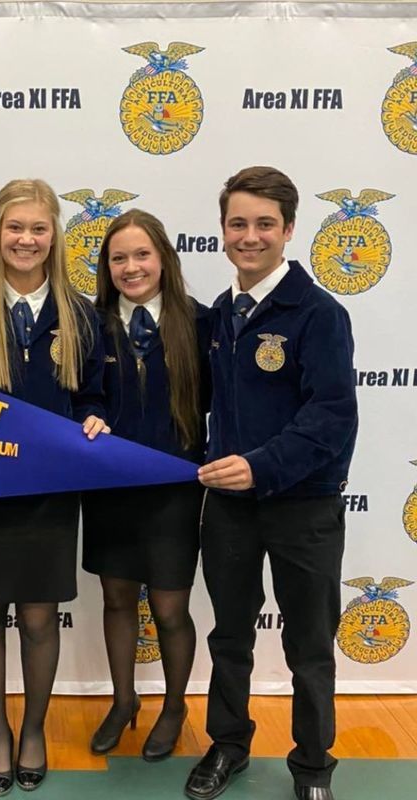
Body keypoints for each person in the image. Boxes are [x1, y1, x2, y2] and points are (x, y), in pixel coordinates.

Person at [0, 178, 108, 795]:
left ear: (54, 235)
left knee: (38, 615)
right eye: (15, 227)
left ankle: (32, 729)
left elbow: (92, 396)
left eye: (37, 228)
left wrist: (94, 417)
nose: (25, 239)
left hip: (50, 492)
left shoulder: (81, 313)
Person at [185, 166, 358, 800]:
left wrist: (263, 465)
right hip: (229, 507)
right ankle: (228, 745)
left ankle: (312, 766)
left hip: (304, 507)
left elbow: (332, 416)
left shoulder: (319, 313)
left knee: (309, 646)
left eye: (264, 224)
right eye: (238, 224)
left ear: (288, 230)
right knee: (229, 636)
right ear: (222, 230)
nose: (249, 236)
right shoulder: (219, 317)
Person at [81, 209, 210, 760]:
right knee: (116, 598)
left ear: (164, 259)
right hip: (110, 488)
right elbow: (81, 393)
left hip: (174, 492)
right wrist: (89, 414)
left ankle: (175, 706)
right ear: (106, 267)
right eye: (118, 258)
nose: (130, 268)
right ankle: (123, 699)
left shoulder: (201, 323)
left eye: (141, 255)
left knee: (170, 607)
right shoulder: (89, 324)